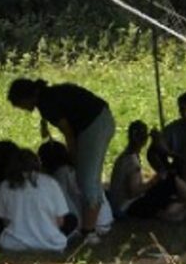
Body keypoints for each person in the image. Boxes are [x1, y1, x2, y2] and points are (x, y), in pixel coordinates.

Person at [8, 78, 114, 242]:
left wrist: (73, 157)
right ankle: (93, 225)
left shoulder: (48, 104)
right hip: (101, 120)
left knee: (87, 180)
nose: (22, 108)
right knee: (90, 178)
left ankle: (90, 230)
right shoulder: (49, 96)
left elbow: (68, 132)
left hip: (94, 125)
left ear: (25, 97)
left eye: (20, 104)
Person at [109, 120, 186, 221]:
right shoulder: (131, 161)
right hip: (127, 208)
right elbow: (134, 191)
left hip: (123, 206)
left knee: (172, 207)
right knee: (172, 181)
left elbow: (163, 152)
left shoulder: (125, 156)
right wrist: (155, 179)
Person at [0, 148, 71, 252]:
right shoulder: (51, 183)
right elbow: (60, 221)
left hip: (14, 243)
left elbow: (5, 221)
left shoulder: (4, 186)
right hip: (50, 243)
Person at [37, 140, 109, 235]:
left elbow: (62, 201)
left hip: (90, 221)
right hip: (104, 219)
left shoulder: (61, 173)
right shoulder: (76, 168)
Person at [147, 91, 186, 174]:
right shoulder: (173, 129)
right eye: (182, 110)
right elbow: (152, 152)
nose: (185, 114)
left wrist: (167, 151)